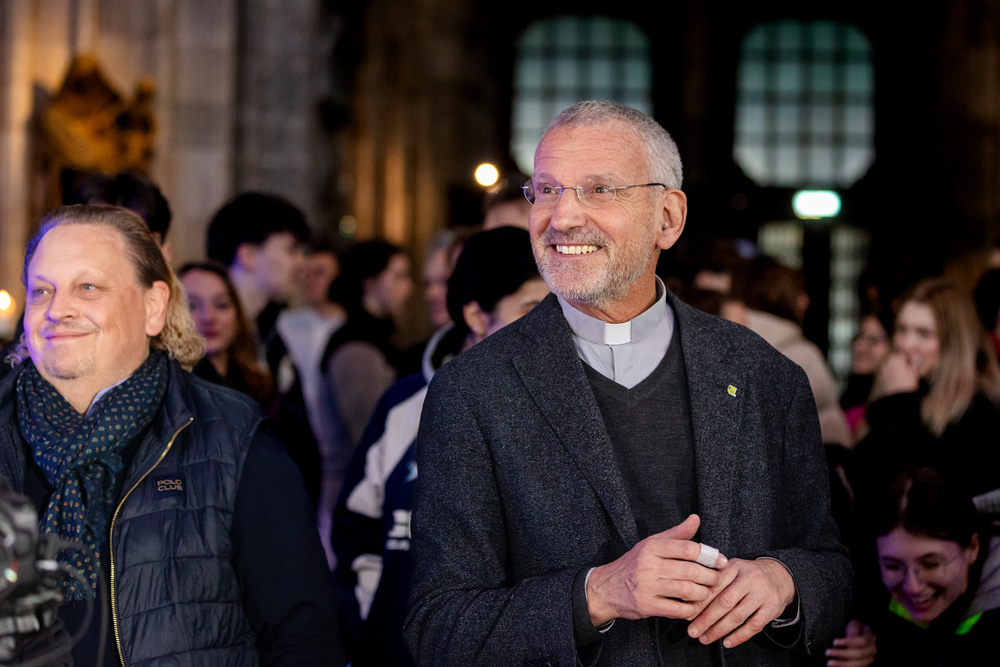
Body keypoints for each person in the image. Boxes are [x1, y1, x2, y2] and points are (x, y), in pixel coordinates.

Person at [404, 101, 850, 666]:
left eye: (599, 190)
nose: (562, 217)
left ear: (668, 218)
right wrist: (597, 594)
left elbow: (832, 566)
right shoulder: (472, 392)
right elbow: (438, 628)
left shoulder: (764, 375)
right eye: (547, 190)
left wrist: (784, 582)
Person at [0, 205, 340, 664]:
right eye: (42, 290)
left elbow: (304, 636)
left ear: (153, 307)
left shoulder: (232, 438)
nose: (58, 310)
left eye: (88, 287)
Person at [333, 226, 549, 667]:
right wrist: (376, 628)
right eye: (531, 309)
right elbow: (358, 532)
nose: (549, 329)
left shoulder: (563, 410)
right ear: (475, 316)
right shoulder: (405, 406)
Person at [206, 192, 321, 502]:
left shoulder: (271, 332)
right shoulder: (204, 337)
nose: (302, 264)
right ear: (248, 255)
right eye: (291, 250)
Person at [826, 467, 999, 667]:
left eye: (931, 564)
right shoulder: (864, 585)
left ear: (972, 547)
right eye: (893, 566)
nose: (913, 587)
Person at [850, 278, 1000, 503]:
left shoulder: (979, 408)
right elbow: (864, 476)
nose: (906, 344)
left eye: (924, 333)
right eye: (902, 330)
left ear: (953, 342)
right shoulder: (903, 389)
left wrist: (901, 402)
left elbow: (928, 493)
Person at [744, 256, 852, 447]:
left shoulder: (726, 343)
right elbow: (831, 439)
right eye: (798, 292)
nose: (805, 301)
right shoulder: (802, 356)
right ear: (775, 295)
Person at [323, 240, 413, 451]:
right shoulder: (355, 347)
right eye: (399, 276)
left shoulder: (382, 337)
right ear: (370, 282)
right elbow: (373, 434)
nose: (408, 287)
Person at [178, 261, 273, 407]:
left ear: (238, 315)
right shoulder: (170, 395)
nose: (208, 317)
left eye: (221, 304)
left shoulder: (261, 388)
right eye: (192, 306)